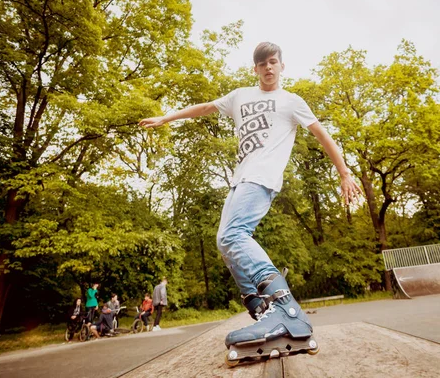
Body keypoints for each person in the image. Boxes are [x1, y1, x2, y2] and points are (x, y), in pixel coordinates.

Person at [139, 42, 362, 363]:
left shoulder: (291, 101)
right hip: (240, 179)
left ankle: (285, 307)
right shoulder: (240, 96)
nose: (268, 68)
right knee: (224, 242)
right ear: (255, 69)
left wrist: (344, 173)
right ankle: (259, 307)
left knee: (233, 236)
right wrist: (166, 118)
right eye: (262, 64)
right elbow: (204, 107)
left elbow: (322, 134)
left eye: (273, 62)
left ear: (282, 65)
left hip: (263, 176)